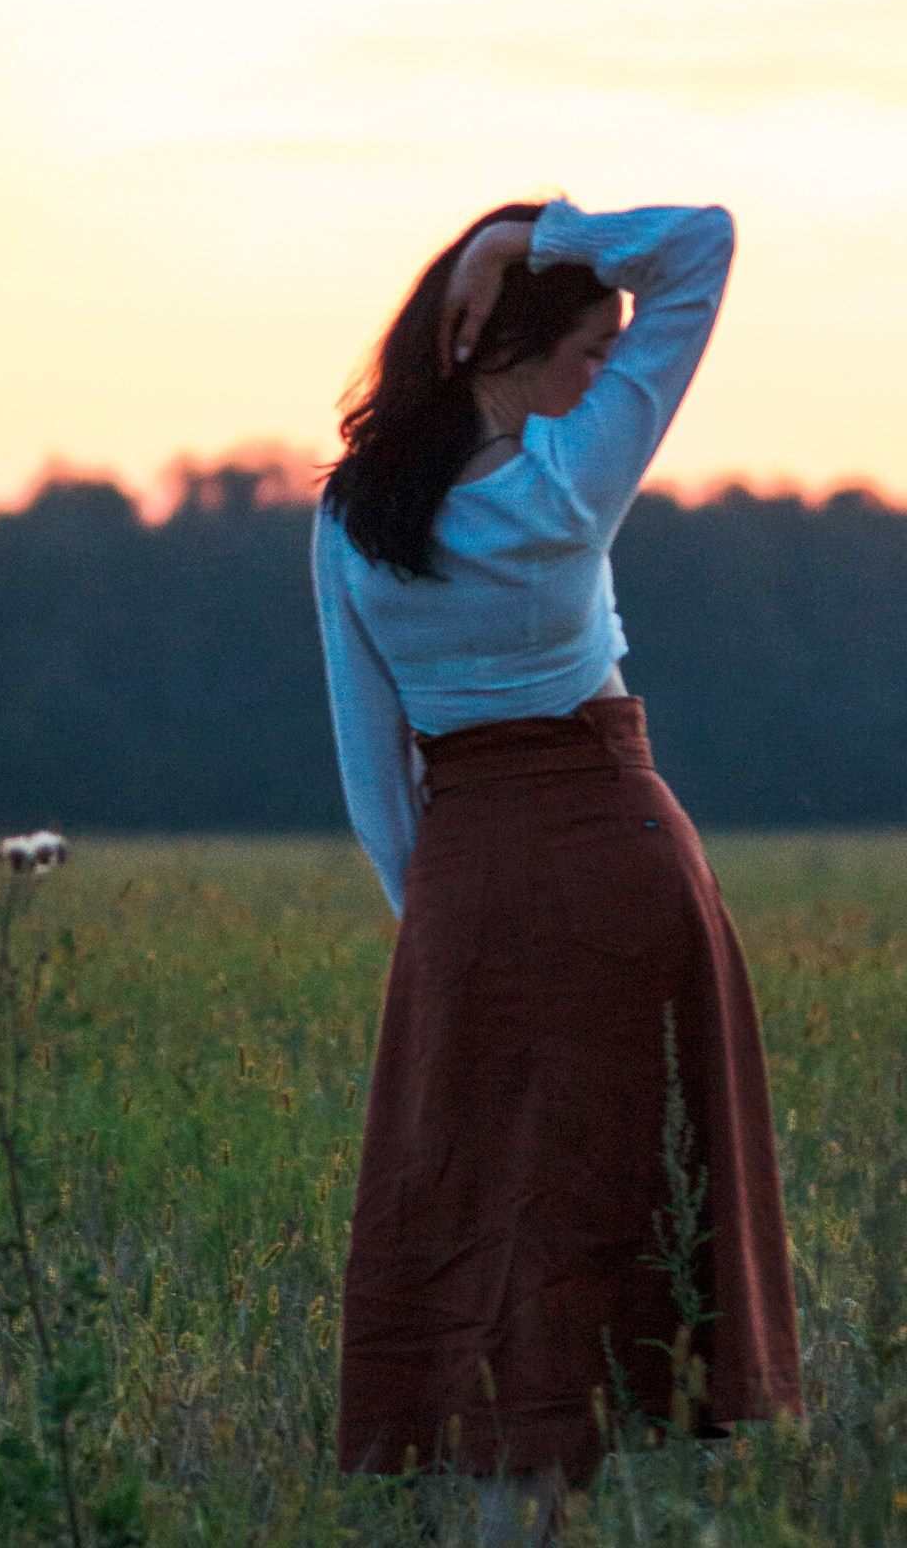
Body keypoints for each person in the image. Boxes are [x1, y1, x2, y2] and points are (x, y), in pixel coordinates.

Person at [310, 198, 803, 1545]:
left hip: (466, 885)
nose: (602, 377)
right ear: (509, 344)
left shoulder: (353, 515)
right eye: (590, 350)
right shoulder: (568, 479)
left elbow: (373, 774)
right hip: (621, 864)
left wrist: (442, 920)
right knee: (603, 1205)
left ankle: (513, 1508)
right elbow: (702, 242)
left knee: (491, 1207)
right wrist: (527, 239)